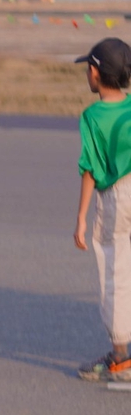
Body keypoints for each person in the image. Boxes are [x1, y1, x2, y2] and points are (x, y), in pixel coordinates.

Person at [72, 37, 131, 383]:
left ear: (96, 73)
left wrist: (81, 217)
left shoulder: (92, 117)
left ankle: (121, 356)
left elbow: (90, 169)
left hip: (117, 197)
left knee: (115, 269)